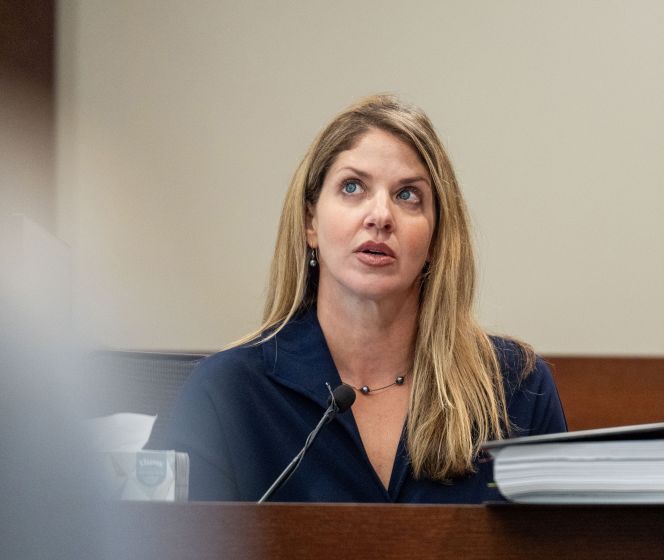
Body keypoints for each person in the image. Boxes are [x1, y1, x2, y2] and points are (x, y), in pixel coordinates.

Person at [165, 94, 567, 503]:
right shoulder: (228, 393)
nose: (381, 216)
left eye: (408, 195)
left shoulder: (514, 389)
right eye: (352, 187)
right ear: (310, 222)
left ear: (435, 238)